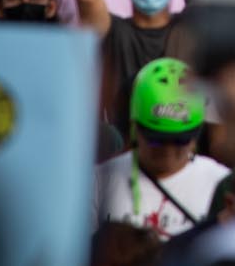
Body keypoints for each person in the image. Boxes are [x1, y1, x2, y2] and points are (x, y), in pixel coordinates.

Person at [94, 59, 227, 240]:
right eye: (156, 139)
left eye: (179, 140)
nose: (168, 149)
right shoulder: (99, 182)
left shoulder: (219, 184)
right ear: (134, 127)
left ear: (195, 136)